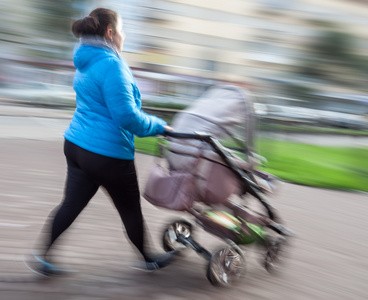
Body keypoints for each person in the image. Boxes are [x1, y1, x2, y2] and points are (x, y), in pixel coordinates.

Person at [26, 8, 175, 276]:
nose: (124, 35)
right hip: (107, 153)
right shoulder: (112, 64)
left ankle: (42, 254)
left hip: (76, 145)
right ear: (110, 32)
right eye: (122, 29)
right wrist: (160, 127)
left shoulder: (85, 60)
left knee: (71, 204)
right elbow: (127, 117)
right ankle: (149, 258)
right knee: (130, 209)